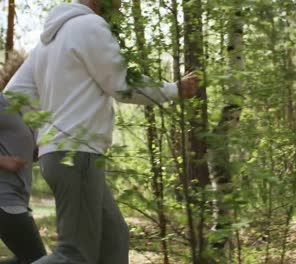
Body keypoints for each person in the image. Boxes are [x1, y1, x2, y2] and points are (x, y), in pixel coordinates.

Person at [4, 0, 198, 263]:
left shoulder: (49, 40)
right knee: (74, 255)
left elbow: (16, 94)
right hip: (77, 154)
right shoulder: (90, 25)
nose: (121, 5)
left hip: (67, 155)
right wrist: (174, 89)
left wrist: (47, 133)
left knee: (114, 239)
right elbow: (122, 85)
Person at [0, 54, 47, 264]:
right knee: (37, 259)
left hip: (15, 200)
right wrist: (3, 161)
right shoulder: (2, 104)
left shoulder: (25, 116)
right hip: (5, 201)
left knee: (26, 259)